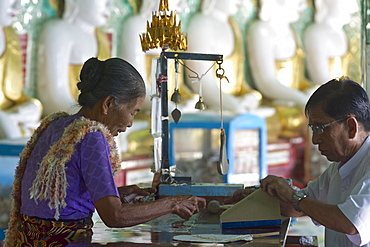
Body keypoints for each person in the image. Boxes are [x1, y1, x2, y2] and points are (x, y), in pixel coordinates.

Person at [4, 57, 206, 246]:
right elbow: (114, 216)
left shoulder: (56, 124)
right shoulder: (92, 135)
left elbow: (62, 200)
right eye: (133, 111)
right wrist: (173, 203)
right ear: (108, 104)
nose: (130, 123)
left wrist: (114, 194)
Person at [227, 76, 370, 246]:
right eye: (312, 129)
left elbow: (351, 222)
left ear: (351, 127)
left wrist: (295, 197)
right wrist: (259, 198)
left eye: (320, 128)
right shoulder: (339, 168)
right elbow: (296, 207)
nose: (315, 140)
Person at [37, 0, 112, 115]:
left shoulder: (101, 36)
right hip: (71, 118)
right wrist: (91, 118)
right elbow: (54, 98)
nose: (109, 5)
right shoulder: (59, 31)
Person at [0, 0, 42, 139]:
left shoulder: (10, 35)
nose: (18, 6)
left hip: (9, 113)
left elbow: (15, 95)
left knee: (34, 111)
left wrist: (31, 106)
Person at [304, 0, 358, 85]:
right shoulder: (316, 33)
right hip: (332, 94)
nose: (355, 8)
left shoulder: (342, 33)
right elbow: (322, 81)